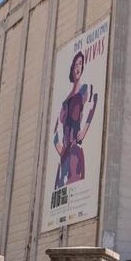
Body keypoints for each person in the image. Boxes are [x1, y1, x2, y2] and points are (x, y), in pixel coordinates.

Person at [53, 50, 98, 189]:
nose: (78, 67)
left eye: (81, 64)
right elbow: (56, 131)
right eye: (76, 64)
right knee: (61, 189)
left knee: (74, 186)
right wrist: (61, 150)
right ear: (72, 68)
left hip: (75, 153)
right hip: (64, 156)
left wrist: (84, 130)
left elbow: (92, 104)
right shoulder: (65, 100)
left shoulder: (85, 89)